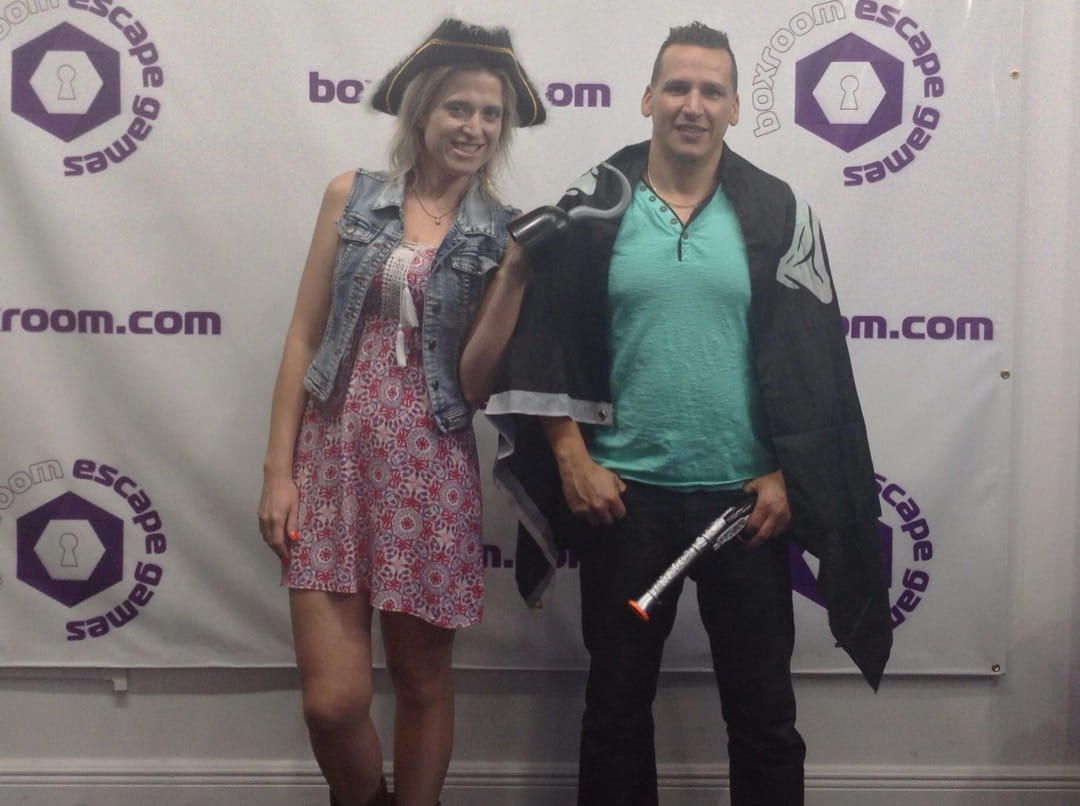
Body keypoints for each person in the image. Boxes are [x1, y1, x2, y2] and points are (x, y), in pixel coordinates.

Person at [460, 21, 891, 806]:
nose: (693, 105)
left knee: (765, 720)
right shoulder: (593, 207)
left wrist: (788, 476)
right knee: (616, 714)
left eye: (711, 91)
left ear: (735, 109)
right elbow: (545, 340)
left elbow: (816, 365)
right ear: (648, 98)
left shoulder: (779, 212)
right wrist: (571, 459)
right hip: (626, 505)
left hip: (745, 511)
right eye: (678, 87)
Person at [257, 19, 545, 806]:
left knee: (423, 682)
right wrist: (278, 471)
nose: (475, 127)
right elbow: (303, 334)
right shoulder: (351, 196)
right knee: (332, 702)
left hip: (430, 468)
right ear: (422, 111)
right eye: (459, 107)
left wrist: (515, 277)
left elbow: (475, 384)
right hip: (331, 462)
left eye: (490, 114)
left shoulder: (501, 232)